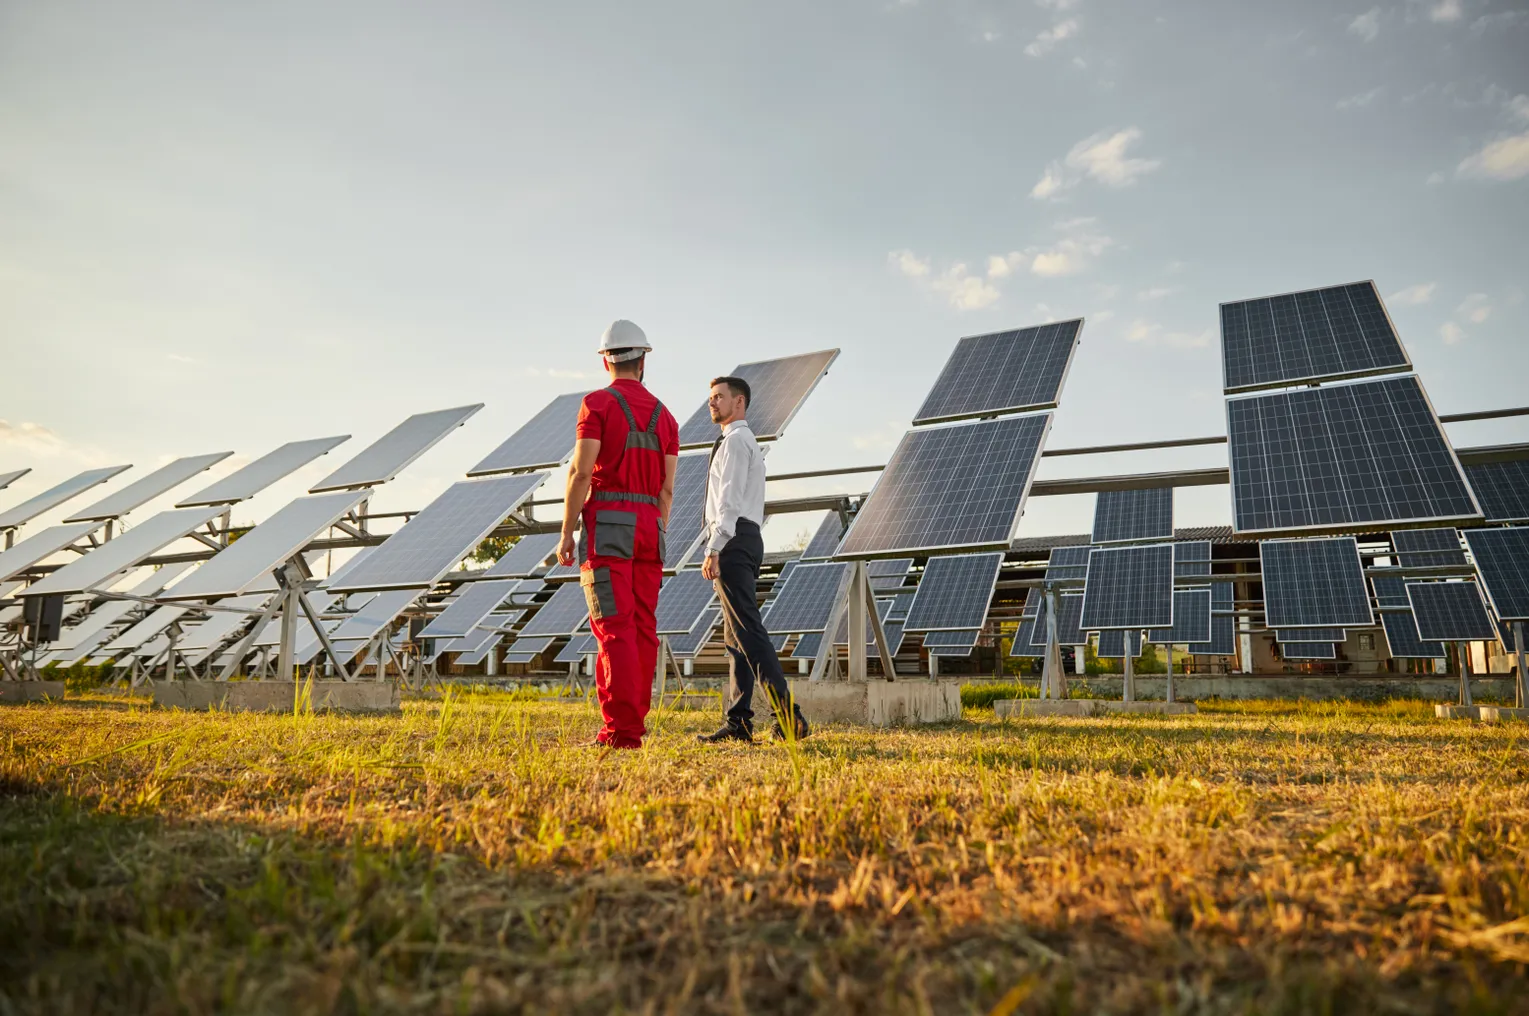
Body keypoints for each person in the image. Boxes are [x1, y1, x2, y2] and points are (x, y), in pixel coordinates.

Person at [558, 320, 679, 749]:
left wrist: (567, 531)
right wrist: (654, 523)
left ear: (606, 360)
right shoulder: (667, 417)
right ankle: (634, 721)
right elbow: (667, 489)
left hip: (609, 520)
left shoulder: (596, 404)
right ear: (643, 359)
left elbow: (580, 472)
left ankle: (622, 731)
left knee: (614, 627)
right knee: (643, 625)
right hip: (651, 524)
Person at [697, 376, 810, 744]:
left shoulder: (735, 442)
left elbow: (728, 501)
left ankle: (789, 718)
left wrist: (714, 546)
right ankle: (739, 721)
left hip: (734, 539)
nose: (711, 403)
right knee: (736, 637)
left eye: (718, 397)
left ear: (739, 401)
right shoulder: (743, 442)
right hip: (744, 538)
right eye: (710, 398)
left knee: (748, 632)